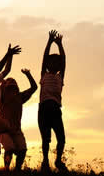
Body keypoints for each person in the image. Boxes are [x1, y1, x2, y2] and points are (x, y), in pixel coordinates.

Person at [38, 30, 68, 172]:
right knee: (46, 138)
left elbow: (64, 60)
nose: (54, 63)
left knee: (61, 139)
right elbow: (44, 57)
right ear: (48, 65)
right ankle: (45, 162)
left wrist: (60, 44)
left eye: (56, 62)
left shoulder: (60, 76)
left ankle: (58, 160)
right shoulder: (44, 74)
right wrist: (49, 42)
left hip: (55, 109)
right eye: (51, 61)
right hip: (44, 109)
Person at [0, 68, 37, 171]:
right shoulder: (2, 97)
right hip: (3, 129)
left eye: (13, 86)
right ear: (5, 89)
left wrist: (28, 74)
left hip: (16, 130)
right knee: (9, 148)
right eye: (9, 86)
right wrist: (3, 81)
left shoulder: (20, 97)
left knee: (22, 150)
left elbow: (34, 87)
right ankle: (6, 168)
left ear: (16, 88)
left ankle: (17, 169)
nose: (11, 88)